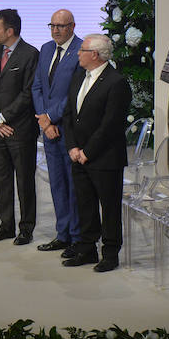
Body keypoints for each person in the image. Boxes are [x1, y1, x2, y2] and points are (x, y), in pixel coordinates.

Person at [62, 34, 130, 272]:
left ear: (94, 55)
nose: (77, 53)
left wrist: (87, 152)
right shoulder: (80, 75)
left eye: (81, 50)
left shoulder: (116, 82)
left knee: (109, 207)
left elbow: (110, 125)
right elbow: (69, 113)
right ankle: (87, 249)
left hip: (104, 157)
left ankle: (110, 254)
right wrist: (72, 146)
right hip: (78, 154)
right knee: (85, 204)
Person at [0, 8, 39, 245]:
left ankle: (26, 228)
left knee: (24, 181)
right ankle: (6, 225)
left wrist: (4, 117)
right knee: (1, 179)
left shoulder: (30, 54)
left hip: (19, 130)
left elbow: (27, 94)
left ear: (10, 31)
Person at [31, 9, 83, 254]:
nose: (55, 30)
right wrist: (44, 121)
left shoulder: (81, 50)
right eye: (52, 25)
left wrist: (51, 117)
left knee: (74, 186)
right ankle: (62, 234)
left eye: (60, 26)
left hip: (70, 129)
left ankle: (77, 236)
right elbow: (37, 87)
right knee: (57, 185)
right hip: (48, 129)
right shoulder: (46, 49)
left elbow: (74, 93)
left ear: (72, 26)